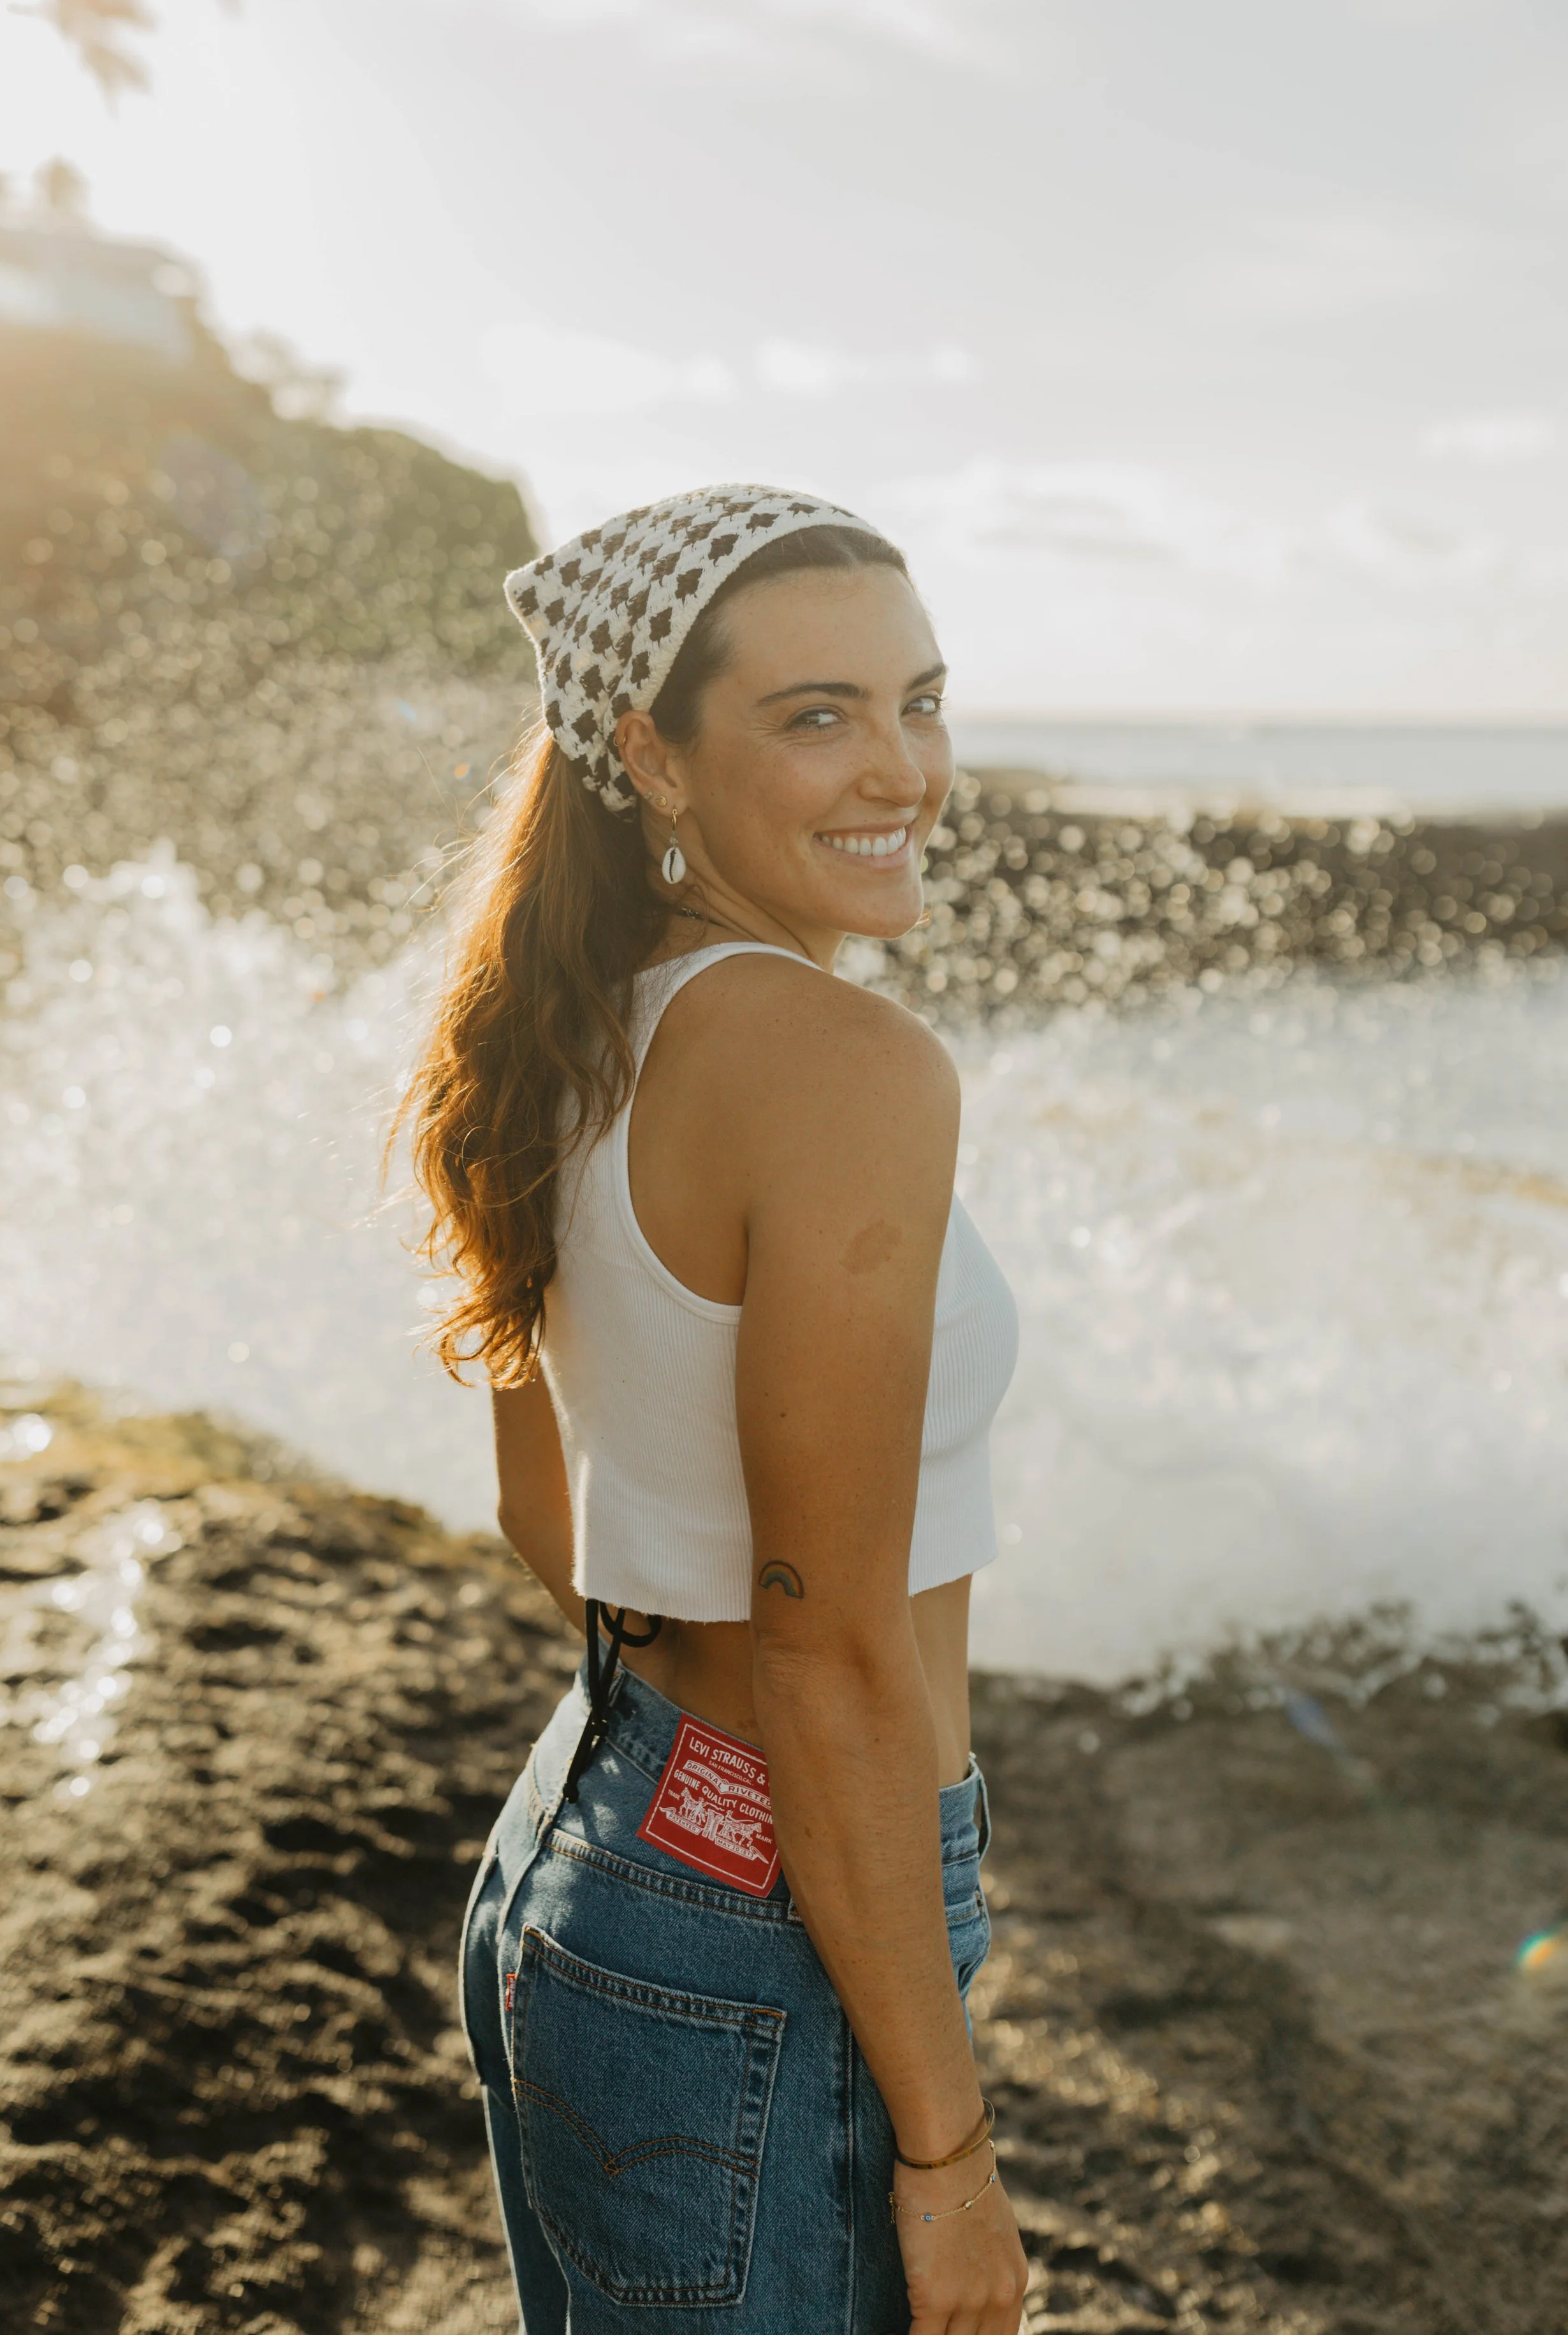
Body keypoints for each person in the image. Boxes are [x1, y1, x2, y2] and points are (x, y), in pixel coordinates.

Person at [401, 485, 1027, 2334]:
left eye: (918, 699)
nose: (900, 766)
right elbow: (828, 1642)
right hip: (774, 1919)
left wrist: (694, 1774)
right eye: (814, 714)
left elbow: (551, 1509)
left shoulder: (563, 1015)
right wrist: (950, 2155)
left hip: (587, 1849)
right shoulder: (843, 1066)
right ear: (645, 756)